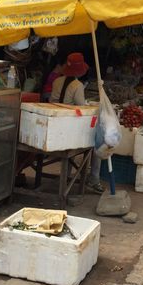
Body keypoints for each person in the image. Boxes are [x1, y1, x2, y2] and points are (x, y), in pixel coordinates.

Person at [49, 53, 104, 193]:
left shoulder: (57, 81)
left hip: (54, 125)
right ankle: (94, 180)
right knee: (98, 143)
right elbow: (81, 107)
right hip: (68, 130)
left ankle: (67, 176)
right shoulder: (77, 85)